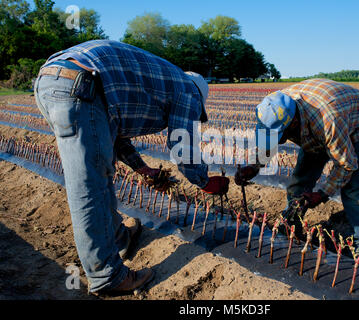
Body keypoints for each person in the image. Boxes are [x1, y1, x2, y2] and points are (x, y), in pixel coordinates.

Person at [34, 40, 229, 295]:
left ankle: (120, 239)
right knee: (89, 185)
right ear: (199, 95)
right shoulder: (188, 90)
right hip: (79, 85)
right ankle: (108, 276)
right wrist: (204, 181)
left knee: (100, 175)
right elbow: (182, 144)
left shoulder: (166, 81)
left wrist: (142, 169)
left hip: (55, 82)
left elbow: (112, 130)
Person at [235, 78, 359, 242]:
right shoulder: (275, 108)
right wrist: (254, 167)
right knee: (300, 181)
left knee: (352, 186)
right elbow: (271, 137)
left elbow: (346, 165)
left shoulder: (328, 121)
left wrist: (322, 195)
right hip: (316, 123)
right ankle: (291, 225)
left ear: (294, 123)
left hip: (357, 122)